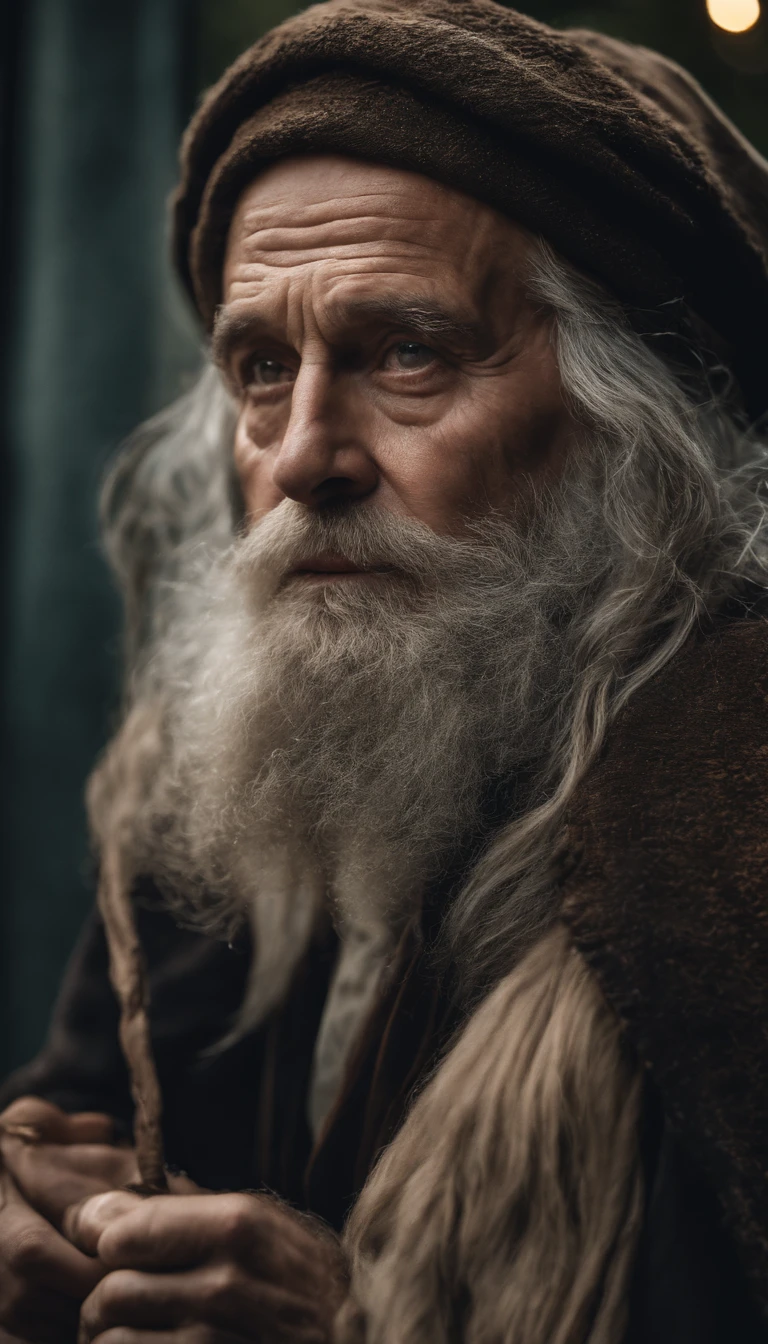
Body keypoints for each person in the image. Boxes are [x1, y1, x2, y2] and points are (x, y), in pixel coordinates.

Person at [2, 1, 768, 1340]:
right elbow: (90, 1113)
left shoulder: (732, 823)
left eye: (405, 353)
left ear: (632, 427)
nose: (304, 456)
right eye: (260, 368)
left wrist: (355, 1324)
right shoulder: (214, 776)